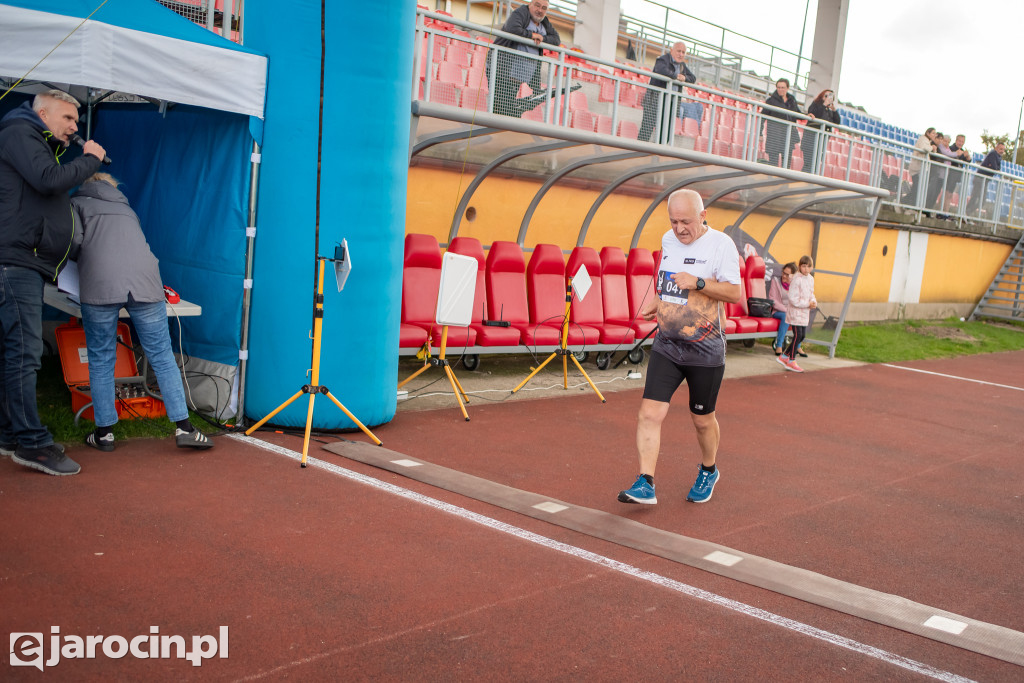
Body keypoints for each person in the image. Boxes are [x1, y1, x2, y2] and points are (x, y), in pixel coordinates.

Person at [0, 90, 106, 476]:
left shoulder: (28, 137)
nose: (75, 127)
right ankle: (32, 443)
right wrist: (90, 158)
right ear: (42, 112)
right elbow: (48, 180)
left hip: (21, 260)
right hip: (16, 261)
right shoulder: (19, 132)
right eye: (68, 119)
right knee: (25, 354)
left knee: (13, 352)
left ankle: (11, 434)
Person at [70, 173, 214, 452]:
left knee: (101, 357)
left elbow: (74, 243)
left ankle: (105, 434)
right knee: (161, 354)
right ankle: (184, 428)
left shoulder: (77, 204)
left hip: (100, 282)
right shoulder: (126, 209)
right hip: (146, 282)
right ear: (113, 187)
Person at [617, 189, 742, 506]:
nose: (679, 228)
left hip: (705, 349)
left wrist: (699, 282)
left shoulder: (721, 245)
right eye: (673, 221)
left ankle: (709, 469)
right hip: (667, 345)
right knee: (649, 413)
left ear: (703, 216)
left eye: (686, 221)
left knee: (702, 420)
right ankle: (645, 482)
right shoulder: (668, 240)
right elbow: (670, 281)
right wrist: (658, 301)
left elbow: (733, 293)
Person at [491, 0, 561, 118]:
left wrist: (542, 38)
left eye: (544, 8)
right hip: (503, 66)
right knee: (502, 106)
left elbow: (556, 40)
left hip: (521, 72)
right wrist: (532, 35)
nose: (540, 10)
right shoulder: (520, 13)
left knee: (507, 106)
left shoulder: (544, 21)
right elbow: (513, 28)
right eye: (537, 5)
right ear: (530, 4)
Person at [638, 41, 700, 144]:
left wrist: (684, 77)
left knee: (666, 131)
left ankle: (657, 151)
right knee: (647, 129)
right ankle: (637, 150)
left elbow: (692, 78)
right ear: (672, 50)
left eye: (683, 52)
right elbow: (661, 70)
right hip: (655, 99)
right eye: (679, 51)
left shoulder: (682, 65)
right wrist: (676, 76)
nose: (681, 54)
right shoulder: (662, 59)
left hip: (671, 102)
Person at [776, 255, 816, 373]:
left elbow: (811, 294)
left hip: (804, 313)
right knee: (798, 335)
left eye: (809, 267)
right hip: (795, 313)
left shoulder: (810, 279)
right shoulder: (796, 280)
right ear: (799, 267)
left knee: (802, 336)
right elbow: (793, 299)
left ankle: (784, 356)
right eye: (803, 266)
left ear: (812, 268)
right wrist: (807, 304)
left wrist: (813, 302)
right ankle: (791, 360)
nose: (806, 269)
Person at [767, 261, 805, 357]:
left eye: (787, 275)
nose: (784, 276)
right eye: (783, 273)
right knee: (786, 316)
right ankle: (779, 345)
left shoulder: (796, 285)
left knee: (798, 317)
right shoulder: (775, 281)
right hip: (778, 311)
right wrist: (786, 310)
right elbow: (773, 300)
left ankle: (798, 346)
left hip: (791, 311)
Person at [762, 78, 802, 167]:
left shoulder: (792, 100)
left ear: (787, 88)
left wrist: (808, 115)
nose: (780, 90)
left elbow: (797, 113)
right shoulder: (771, 101)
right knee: (773, 163)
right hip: (774, 136)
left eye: (783, 88)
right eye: (779, 87)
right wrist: (760, 133)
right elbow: (762, 116)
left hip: (788, 136)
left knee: (786, 164)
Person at [800, 89, 840, 173]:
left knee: (816, 164)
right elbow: (813, 113)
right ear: (821, 96)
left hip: (821, 141)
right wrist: (824, 105)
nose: (827, 98)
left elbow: (837, 122)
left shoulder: (829, 111)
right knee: (809, 163)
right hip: (810, 139)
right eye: (826, 96)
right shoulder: (816, 105)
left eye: (830, 96)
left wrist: (834, 110)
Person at [966, 142, 1005, 215]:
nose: (1002, 151)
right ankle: (966, 213)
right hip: (980, 178)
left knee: (982, 201)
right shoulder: (993, 153)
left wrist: (995, 168)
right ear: (996, 148)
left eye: (1003, 149)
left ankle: (968, 212)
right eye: (1000, 149)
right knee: (975, 197)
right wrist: (994, 168)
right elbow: (994, 167)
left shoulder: (999, 157)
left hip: (985, 180)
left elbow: (997, 168)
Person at [906, 127, 937, 205]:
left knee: (917, 189)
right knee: (916, 188)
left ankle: (908, 204)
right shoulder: (923, 139)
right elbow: (924, 148)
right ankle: (904, 202)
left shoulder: (927, 141)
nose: (934, 135)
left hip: (921, 169)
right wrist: (932, 147)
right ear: (928, 133)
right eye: (933, 133)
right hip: (917, 169)